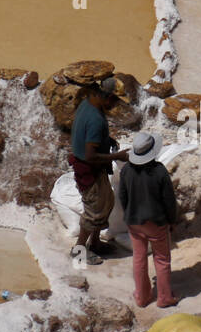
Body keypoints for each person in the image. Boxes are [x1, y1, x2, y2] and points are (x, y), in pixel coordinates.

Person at [69, 77, 129, 265]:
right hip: (90, 169)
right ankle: (79, 249)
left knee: (106, 203)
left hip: (92, 168)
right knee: (94, 212)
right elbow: (90, 156)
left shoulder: (87, 105)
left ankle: (95, 242)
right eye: (115, 100)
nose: (116, 104)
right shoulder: (96, 119)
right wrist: (117, 156)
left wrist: (106, 140)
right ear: (107, 96)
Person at [118, 131, 180, 308]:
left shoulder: (126, 170)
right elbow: (168, 200)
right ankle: (165, 298)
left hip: (134, 222)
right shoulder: (159, 171)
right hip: (156, 223)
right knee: (161, 259)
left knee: (139, 258)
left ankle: (142, 297)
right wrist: (172, 221)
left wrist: (129, 214)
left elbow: (122, 196)